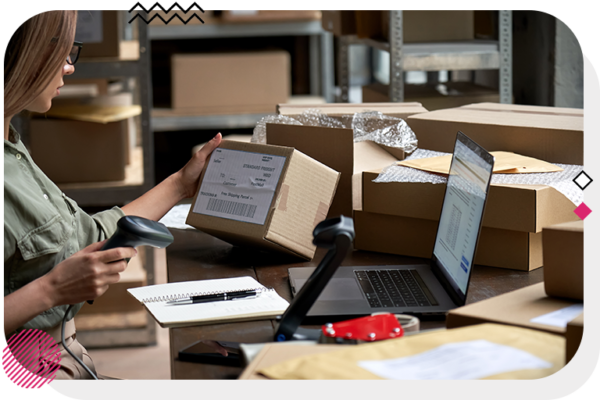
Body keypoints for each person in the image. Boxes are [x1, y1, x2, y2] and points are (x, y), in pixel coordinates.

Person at [3, 10, 223, 379]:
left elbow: (82, 238)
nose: (69, 66)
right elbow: (55, 275)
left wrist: (183, 184)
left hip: (58, 355)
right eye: (59, 49)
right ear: (20, 52)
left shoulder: (11, 144)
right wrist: (51, 289)